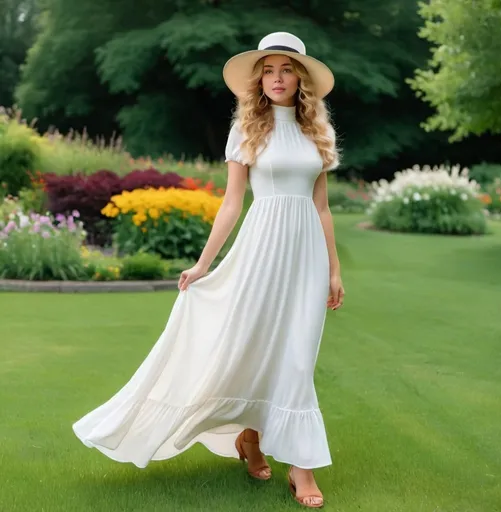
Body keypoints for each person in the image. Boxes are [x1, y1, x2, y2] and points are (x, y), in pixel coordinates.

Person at [72, 31, 344, 509]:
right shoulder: (246, 130)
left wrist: (335, 271)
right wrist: (203, 264)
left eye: (285, 70)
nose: (276, 78)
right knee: (256, 347)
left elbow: (322, 208)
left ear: (300, 78)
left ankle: (298, 465)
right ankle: (252, 441)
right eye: (268, 69)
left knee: (297, 355)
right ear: (259, 78)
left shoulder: (317, 133)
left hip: (307, 257)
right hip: (262, 250)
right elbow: (232, 203)